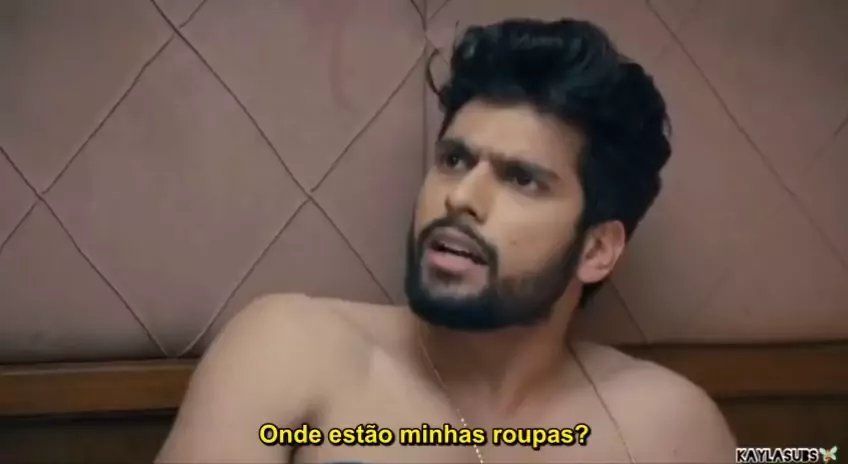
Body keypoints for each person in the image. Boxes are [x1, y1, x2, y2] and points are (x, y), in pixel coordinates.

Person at [157, 18, 737, 464]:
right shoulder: (292, 351)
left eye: (522, 179)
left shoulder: (667, 428)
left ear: (596, 250)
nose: (460, 197)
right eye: (455, 160)